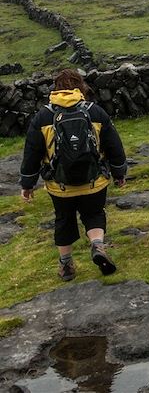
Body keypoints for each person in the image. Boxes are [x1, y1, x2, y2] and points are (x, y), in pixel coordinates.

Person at [19, 69, 127, 281]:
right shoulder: (95, 112)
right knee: (94, 214)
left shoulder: (43, 116)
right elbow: (114, 145)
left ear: (55, 89)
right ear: (81, 86)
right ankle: (97, 246)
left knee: (63, 220)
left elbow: (32, 152)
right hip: (94, 182)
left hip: (60, 187)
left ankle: (66, 265)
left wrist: (27, 184)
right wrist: (119, 172)